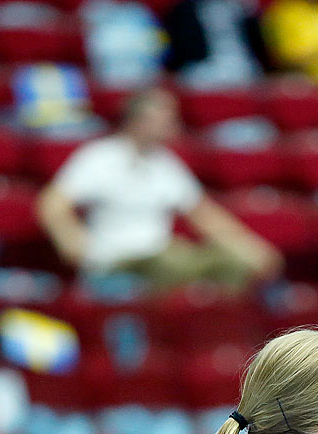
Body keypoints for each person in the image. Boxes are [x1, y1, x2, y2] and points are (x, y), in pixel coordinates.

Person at [38, 88, 282, 293]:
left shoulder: (166, 163)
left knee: (232, 264)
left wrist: (254, 250)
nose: (172, 122)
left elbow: (205, 215)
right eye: (165, 116)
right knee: (170, 260)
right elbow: (52, 203)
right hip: (116, 261)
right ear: (138, 119)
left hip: (161, 259)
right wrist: (74, 244)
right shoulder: (100, 157)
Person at [162, 0, 266, 85]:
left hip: (244, 68)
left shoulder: (241, 9)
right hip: (203, 68)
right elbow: (183, 47)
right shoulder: (186, 9)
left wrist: (249, 12)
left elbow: (258, 45)